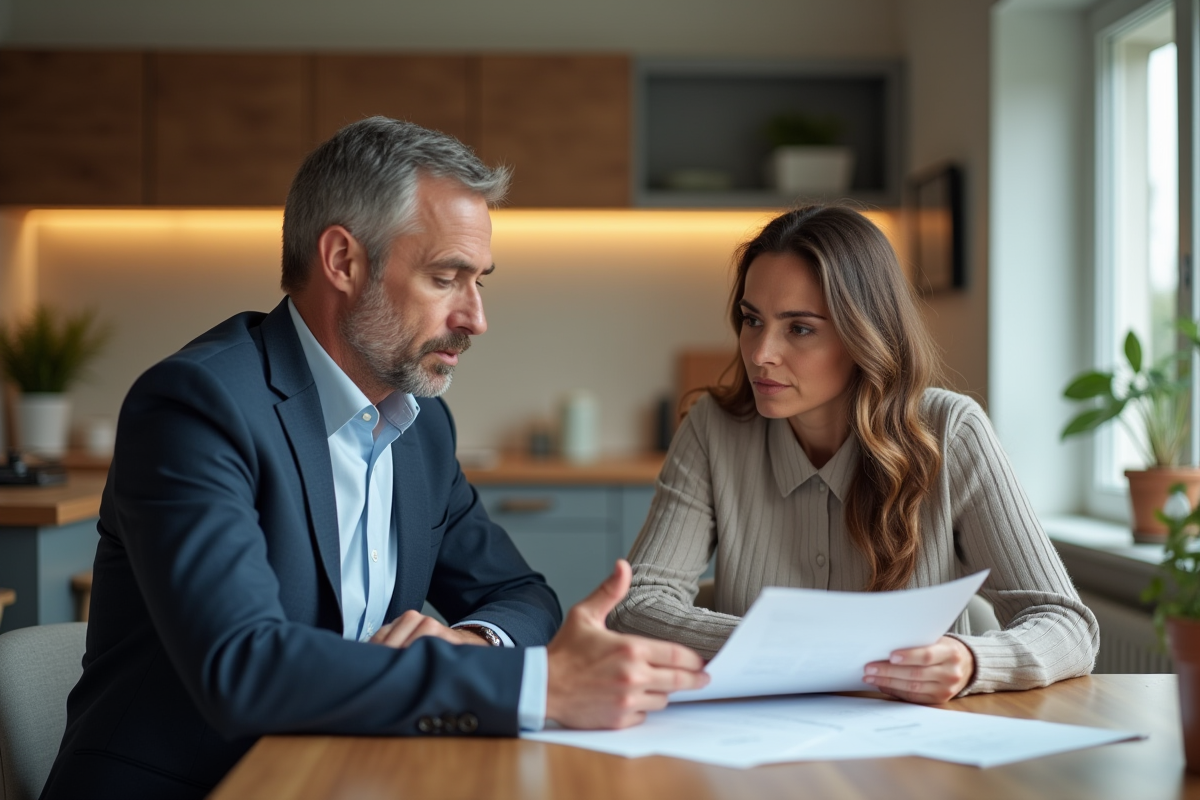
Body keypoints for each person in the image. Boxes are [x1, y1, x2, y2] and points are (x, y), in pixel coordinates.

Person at [41, 117, 708, 799]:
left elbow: (519, 595)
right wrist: (538, 684)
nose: (476, 317)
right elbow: (242, 667)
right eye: (447, 278)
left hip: (345, 777)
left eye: (481, 281)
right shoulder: (197, 407)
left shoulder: (421, 426)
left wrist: (470, 645)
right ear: (342, 261)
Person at [608, 205, 1099, 704]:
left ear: (864, 334)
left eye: (799, 328)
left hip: (914, 756)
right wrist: (791, 647)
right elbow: (637, 605)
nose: (759, 353)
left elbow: (1066, 625)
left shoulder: (951, 431)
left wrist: (972, 660)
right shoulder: (712, 428)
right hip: (757, 750)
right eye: (752, 320)